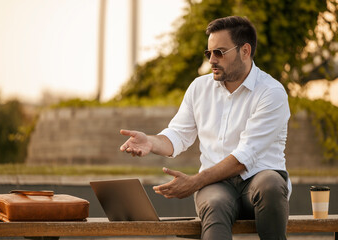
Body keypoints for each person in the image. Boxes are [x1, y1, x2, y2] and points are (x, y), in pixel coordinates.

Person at [120, 16, 291, 240]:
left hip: (258, 184)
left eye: (219, 52)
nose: (212, 60)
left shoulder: (271, 92)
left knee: (270, 184)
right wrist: (151, 142)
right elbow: (178, 135)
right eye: (208, 53)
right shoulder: (199, 88)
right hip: (216, 186)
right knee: (215, 202)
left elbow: (243, 157)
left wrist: (193, 182)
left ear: (245, 51)